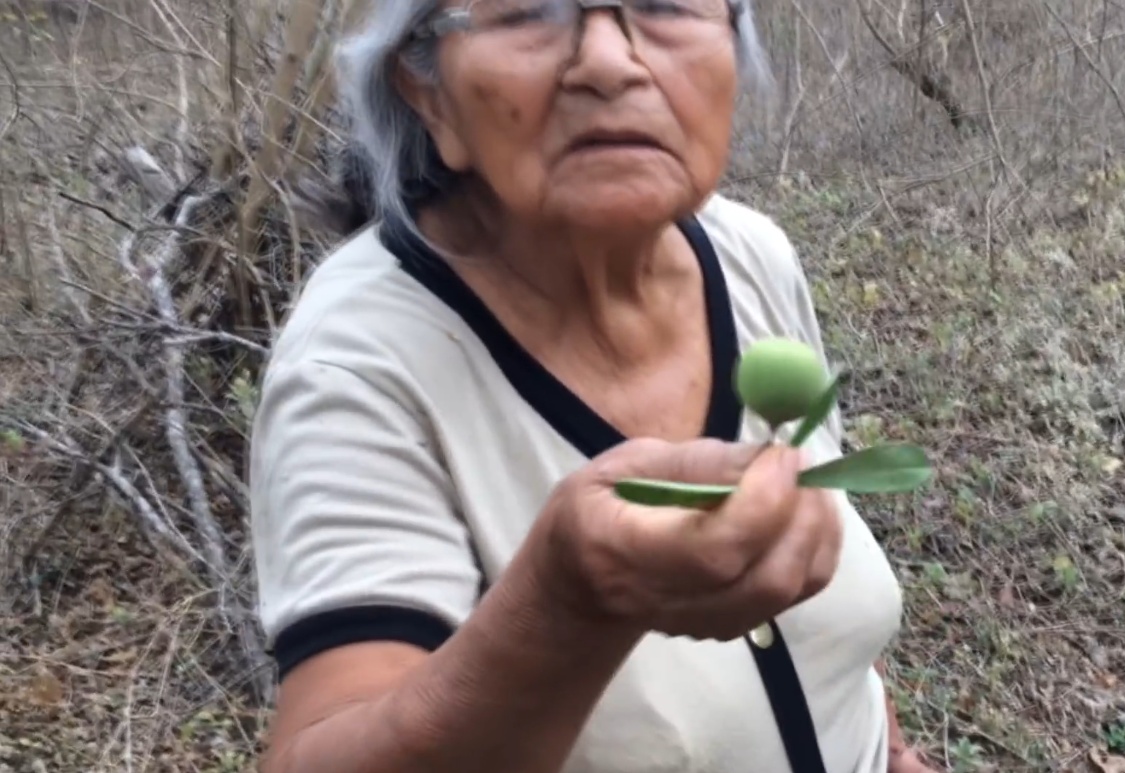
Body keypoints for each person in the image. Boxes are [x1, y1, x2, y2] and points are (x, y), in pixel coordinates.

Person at [247, 1, 941, 772]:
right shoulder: (357, 362)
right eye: (530, 10)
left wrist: (894, 749)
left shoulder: (752, 258)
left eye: (664, 2)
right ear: (429, 92)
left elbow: (828, 613)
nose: (609, 62)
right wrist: (563, 609)